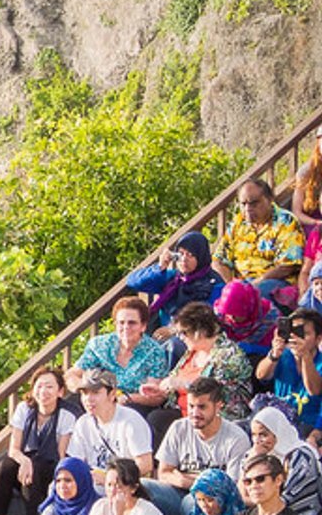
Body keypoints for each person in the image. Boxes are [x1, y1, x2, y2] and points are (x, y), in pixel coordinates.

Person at [144, 378, 253, 515]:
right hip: (177, 494)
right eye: (191, 406)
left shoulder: (236, 438)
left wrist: (188, 482)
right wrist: (191, 482)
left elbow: (230, 489)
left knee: (192, 501)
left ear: (218, 406)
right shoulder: (179, 428)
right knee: (142, 486)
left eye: (202, 407)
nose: (195, 413)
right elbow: (163, 473)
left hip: (214, 505)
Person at [0, 366, 74, 515]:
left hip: (50, 467)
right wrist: (24, 461)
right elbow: (14, 449)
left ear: (60, 391)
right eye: (39, 386)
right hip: (27, 462)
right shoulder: (24, 409)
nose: (43, 391)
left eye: (50, 387)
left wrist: (30, 465)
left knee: (33, 469)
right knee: (5, 466)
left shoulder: (66, 415)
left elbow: (62, 456)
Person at [144, 301, 255, 432]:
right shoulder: (192, 352)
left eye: (183, 332)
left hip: (215, 417)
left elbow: (215, 391)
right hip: (183, 412)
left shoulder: (229, 355)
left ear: (200, 331)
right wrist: (160, 389)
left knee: (158, 420)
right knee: (149, 417)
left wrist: (181, 383)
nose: (180, 337)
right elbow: (174, 382)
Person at [214, 176, 304, 306]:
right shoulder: (238, 223)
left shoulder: (285, 221)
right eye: (243, 204)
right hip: (239, 283)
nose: (248, 209)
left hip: (273, 282)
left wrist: (254, 284)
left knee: (255, 295)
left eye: (254, 203)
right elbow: (219, 260)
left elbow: (288, 266)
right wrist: (231, 286)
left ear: (269, 200)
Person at [66, 369, 154, 487]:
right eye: (85, 393)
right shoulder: (83, 423)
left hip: (125, 485)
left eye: (95, 392)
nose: (88, 399)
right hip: (93, 479)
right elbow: (76, 461)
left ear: (112, 394)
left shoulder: (130, 420)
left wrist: (111, 479)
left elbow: (145, 464)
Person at [75, 295, 170, 404]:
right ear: (115, 324)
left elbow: (155, 398)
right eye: (121, 322)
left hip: (133, 404)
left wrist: (125, 398)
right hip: (96, 400)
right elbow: (72, 375)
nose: (126, 327)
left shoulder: (154, 352)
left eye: (132, 323)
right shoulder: (99, 345)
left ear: (143, 326)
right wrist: (87, 389)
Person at [125, 230, 222, 333]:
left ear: (201, 257)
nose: (184, 259)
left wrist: (174, 330)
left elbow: (212, 319)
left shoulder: (214, 284)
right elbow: (133, 282)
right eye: (180, 254)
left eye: (190, 255)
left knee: (172, 346)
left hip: (191, 337)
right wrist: (160, 267)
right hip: (159, 333)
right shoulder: (173, 279)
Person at [254, 307, 322, 439]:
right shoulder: (283, 356)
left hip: (307, 425)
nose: (296, 338)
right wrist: (274, 354)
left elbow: (314, 390)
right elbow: (261, 376)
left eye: (304, 333)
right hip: (278, 421)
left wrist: (305, 357)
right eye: (294, 332)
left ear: (318, 339)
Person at [248, 403, 322, 515]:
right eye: (254, 435)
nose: (257, 441)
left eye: (263, 435)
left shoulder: (301, 455)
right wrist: (251, 461)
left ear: (278, 432)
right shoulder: (258, 454)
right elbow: (243, 495)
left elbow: (290, 497)